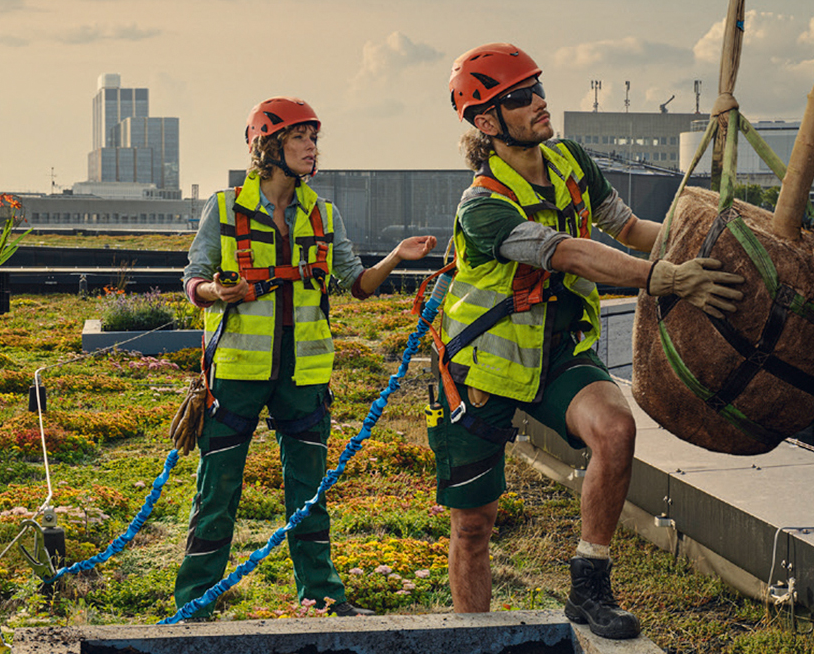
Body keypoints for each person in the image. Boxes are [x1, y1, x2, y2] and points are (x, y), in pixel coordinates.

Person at [434, 43, 745, 639]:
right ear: (485, 122)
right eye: (519, 98)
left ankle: (590, 581)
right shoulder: (482, 207)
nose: (540, 103)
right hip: (481, 371)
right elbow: (568, 252)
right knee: (474, 524)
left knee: (616, 429)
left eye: (539, 88)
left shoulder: (572, 161)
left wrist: (705, 252)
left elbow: (627, 228)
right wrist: (664, 278)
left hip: (557, 354)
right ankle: (471, 638)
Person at [177, 97, 436, 619]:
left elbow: (357, 285)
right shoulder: (225, 208)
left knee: (310, 494)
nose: (311, 149)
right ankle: (194, 608)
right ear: (267, 147)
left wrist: (395, 258)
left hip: (305, 377)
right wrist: (213, 292)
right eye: (299, 138)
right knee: (218, 492)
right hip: (234, 375)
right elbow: (192, 278)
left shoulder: (324, 214)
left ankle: (323, 598)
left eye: (314, 140)